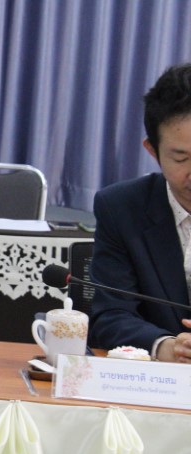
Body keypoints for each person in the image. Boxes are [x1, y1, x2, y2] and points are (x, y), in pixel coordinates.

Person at [89, 63, 191, 362]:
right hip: (157, 378)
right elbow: (110, 315)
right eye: (181, 158)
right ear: (152, 151)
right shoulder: (121, 208)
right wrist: (168, 347)